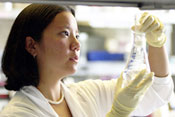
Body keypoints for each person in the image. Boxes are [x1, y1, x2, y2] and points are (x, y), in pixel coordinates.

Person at [0, 4, 173, 117]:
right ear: (31, 45)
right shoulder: (18, 113)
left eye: (77, 35)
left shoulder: (87, 94)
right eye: (65, 33)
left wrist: (156, 42)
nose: (76, 44)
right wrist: (118, 113)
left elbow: (155, 92)